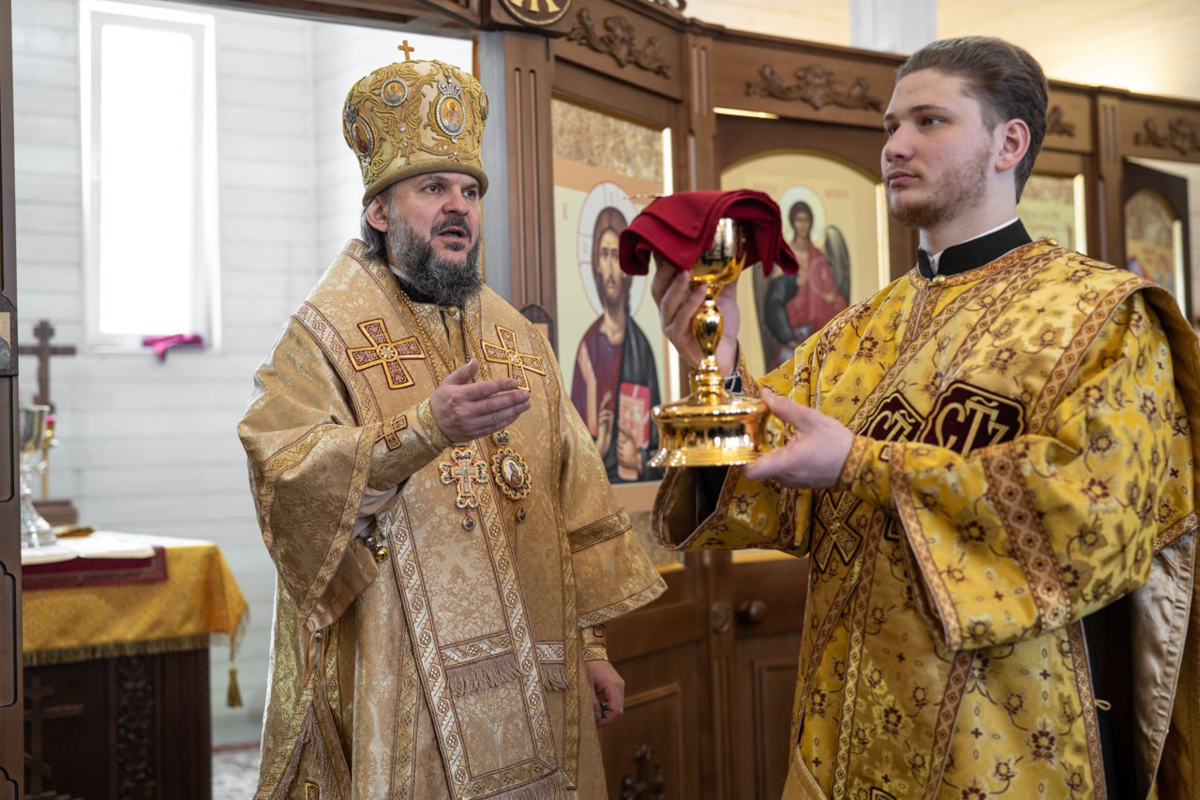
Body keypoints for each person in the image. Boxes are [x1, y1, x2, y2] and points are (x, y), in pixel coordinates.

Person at [649, 36, 1200, 799]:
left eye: (930, 122)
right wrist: (719, 360)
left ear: (1010, 142)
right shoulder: (855, 331)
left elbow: (1097, 519)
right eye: (890, 127)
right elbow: (767, 482)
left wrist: (863, 465)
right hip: (841, 727)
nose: (896, 147)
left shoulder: (1098, 316)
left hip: (1008, 739)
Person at [239, 58, 665, 799]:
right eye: (433, 188)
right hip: (402, 677)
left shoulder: (514, 336)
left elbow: (574, 494)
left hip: (536, 668)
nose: (458, 207)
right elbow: (285, 474)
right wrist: (420, 431)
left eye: (468, 191)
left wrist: (592, 645)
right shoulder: (325, 335)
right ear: (378, 211)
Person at [571, 206, 664, 482]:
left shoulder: (642, 348)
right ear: (596, 266)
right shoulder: (588, 349)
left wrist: (639, 461)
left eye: (616, 256)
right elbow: (571, 443)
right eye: (604, 255)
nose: (611, 268)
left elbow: (661, 443)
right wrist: (597, 450)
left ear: (628, 269)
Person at [762, 201, 847, 367]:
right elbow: (774, 302)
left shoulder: (820, 258)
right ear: (792, 222)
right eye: (799, 220)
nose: (802, 225)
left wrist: (833, 300)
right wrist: (788, 337)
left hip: (817, 337)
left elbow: (831, 294)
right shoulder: (784, 257)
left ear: (811, 223)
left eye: (806, 220)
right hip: (791, 339)